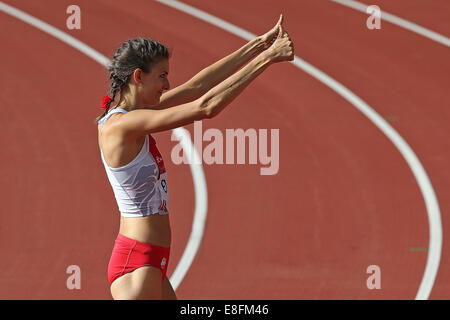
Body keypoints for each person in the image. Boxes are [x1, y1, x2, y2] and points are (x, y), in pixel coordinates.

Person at [96, 14, 294, 300]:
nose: (167, 85)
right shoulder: (121, 125)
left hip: (151, 261)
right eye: (162, 76)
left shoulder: (137, 115)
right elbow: (205, 107)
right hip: (136, 266)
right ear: (138, 76)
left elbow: (195, 89)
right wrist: (268, 59)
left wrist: (260, 45)